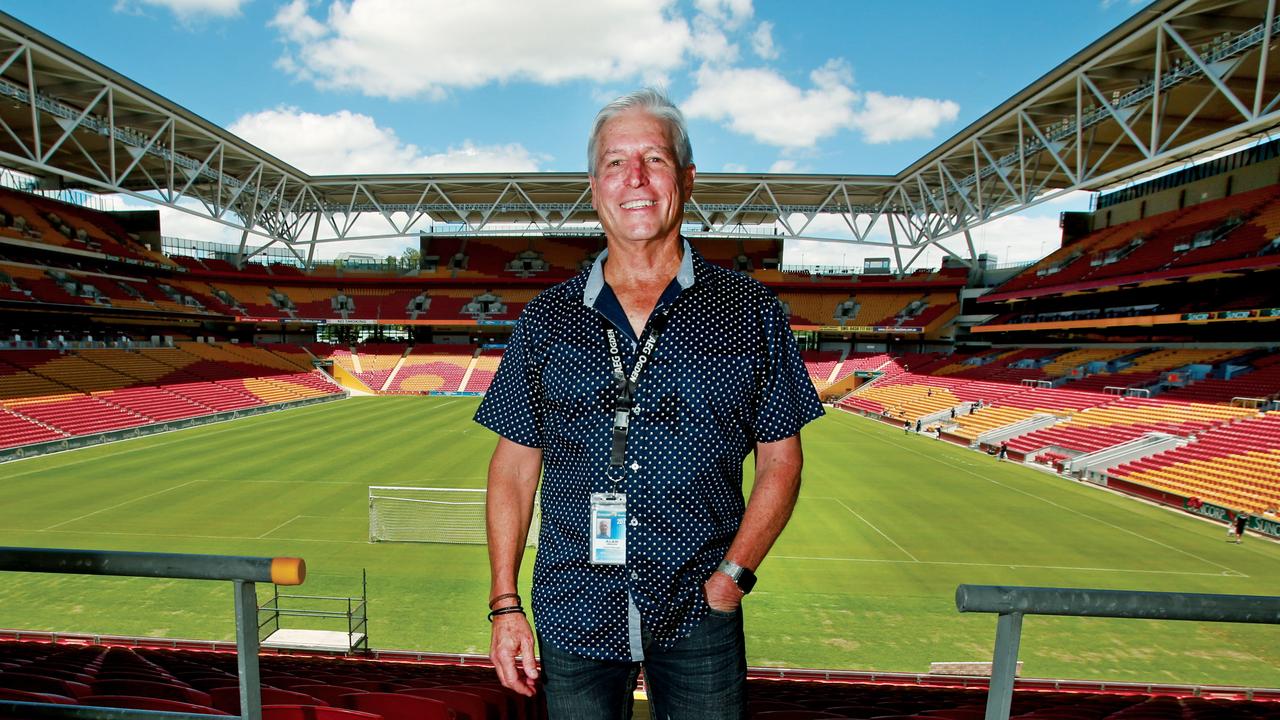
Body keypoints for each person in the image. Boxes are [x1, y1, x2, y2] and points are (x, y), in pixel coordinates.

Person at [475, 88, 823, 719]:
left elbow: (782, 462)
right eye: (614, 162)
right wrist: (504, 605)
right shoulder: (547, 318)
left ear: (686, 179)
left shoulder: (750, 311)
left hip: (700, 608)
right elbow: (513, 468)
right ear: (593, 185)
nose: (633, 178)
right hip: (572, 604)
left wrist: (733, 579)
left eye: (654, 159)